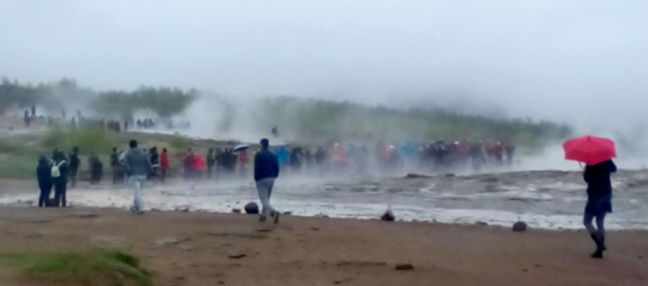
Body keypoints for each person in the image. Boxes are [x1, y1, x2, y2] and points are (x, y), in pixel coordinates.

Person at [583, 160, 617, 258]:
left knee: (587, 221)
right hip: (607, 193)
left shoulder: (590, 163)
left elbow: (587, 179)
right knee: (600, 221)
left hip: (595, 195)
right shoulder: (606, 159)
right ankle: (599, 250)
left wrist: (584, 172)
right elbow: (614, 169)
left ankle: (599, 243)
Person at [254, 138, 280, 223]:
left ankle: (273, 212)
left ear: (261, 145)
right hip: (272, 178)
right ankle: (263, 215)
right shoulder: (273, 155)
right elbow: (277, 166)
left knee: (263, 199)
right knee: (267, 198)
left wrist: (256, 178)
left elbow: (256, 167)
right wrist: (275, 175)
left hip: (262, 178)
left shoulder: (258, 155)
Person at [123, 140, 151, 214]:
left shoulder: (127, 154)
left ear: (129, 145)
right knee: (139, 192)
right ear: (137, 144)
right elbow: (148, 163)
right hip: (143, 175)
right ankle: (135, 206)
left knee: (137, 192)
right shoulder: (143, 153)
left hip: (133, 175)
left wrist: (127, 173)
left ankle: (141, 208)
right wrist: (150, 173)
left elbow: (125, 165)